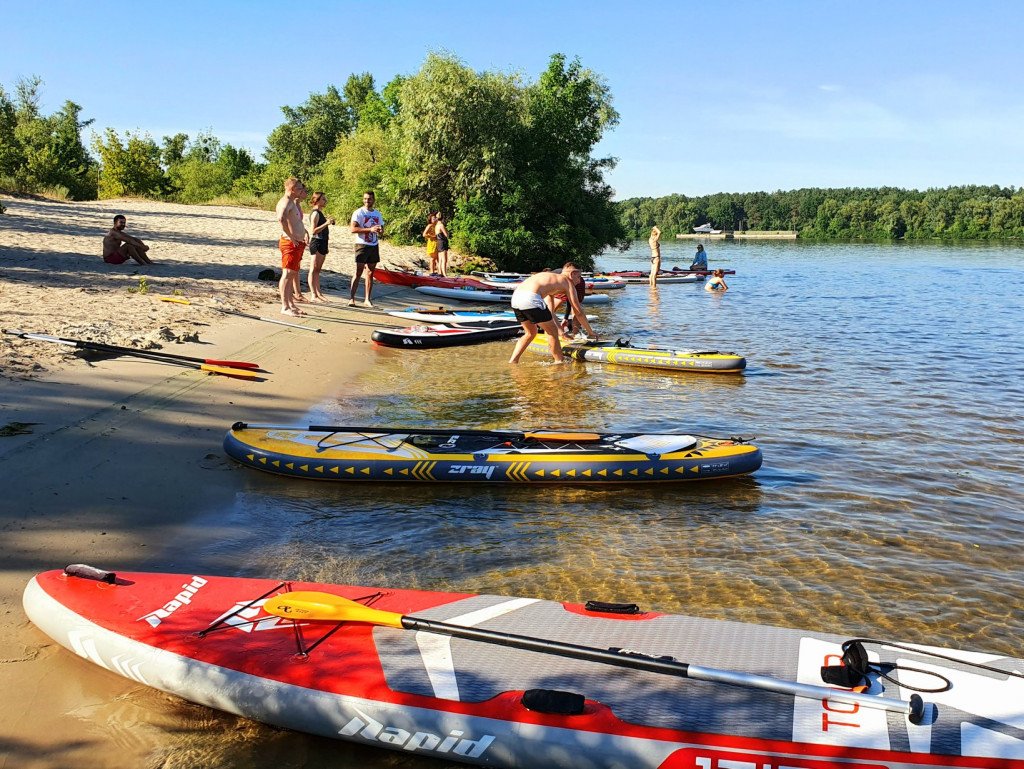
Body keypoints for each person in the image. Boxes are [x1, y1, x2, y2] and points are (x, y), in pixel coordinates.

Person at [508, 263, 597, 364]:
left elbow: (549, 310)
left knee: (530, 333)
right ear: (572, 274)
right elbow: (578, 311)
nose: (579, 280)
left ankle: (513, 361)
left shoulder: (548, 278)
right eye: (579, 276)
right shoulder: (567, 282)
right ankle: (559, 362)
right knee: (552, 332)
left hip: (515, 298)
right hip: (531, 298)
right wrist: (590, 332)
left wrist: (562, 331)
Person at [276, 177, 308, 316]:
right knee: (287, 274)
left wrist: (303, 232)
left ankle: (290, 303)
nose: (301, 191)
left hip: (297, 242)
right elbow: (281, 219)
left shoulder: (292, 202)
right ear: (292, 188)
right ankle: (284, 306)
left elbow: (296, 221)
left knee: (293, 273)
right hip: (290, 242)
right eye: (299, 188)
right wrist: (291, 235)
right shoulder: (285, 202)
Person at [349, 190, 384, 307]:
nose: (367, 201)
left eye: (369, 199)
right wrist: (369, 229)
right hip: (362, 244)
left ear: (373, 200)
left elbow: (381, 229)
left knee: (370, 273)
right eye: (365, 199)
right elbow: (353, 229)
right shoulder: (358, 213)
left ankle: (367, 299)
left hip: (373, 245)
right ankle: (352, 298)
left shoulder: (378, 214)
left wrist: (380, 230)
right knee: (358, 271)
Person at [307, 192, 334, 302]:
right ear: (317, 200)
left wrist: (327, 222)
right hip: (317, 242)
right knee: (313, 269)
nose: (325, 201)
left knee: (318, 270)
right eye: (323, 199)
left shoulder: (320, 213)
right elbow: (313, 231)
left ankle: (318, 293)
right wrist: (326, 223)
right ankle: (313, 294)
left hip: (323, 241)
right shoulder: (315, 213)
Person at [559, 268, 588, 340]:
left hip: (575, 284)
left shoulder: (577, 281)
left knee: (575, 309)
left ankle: (576, 333)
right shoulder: (559, 279)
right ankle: (575, 333)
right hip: (566, 281)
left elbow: (572, 301)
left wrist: (565, 317)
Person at [434, 211, 450, 277]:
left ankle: (439, 272)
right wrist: (447, 232)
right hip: (443, 242)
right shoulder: (441, 225)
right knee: (444, 260)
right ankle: (444, 274)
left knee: (440, 259)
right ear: (442, 218)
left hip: (438, 242)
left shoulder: (436, 226)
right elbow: (446, 235)